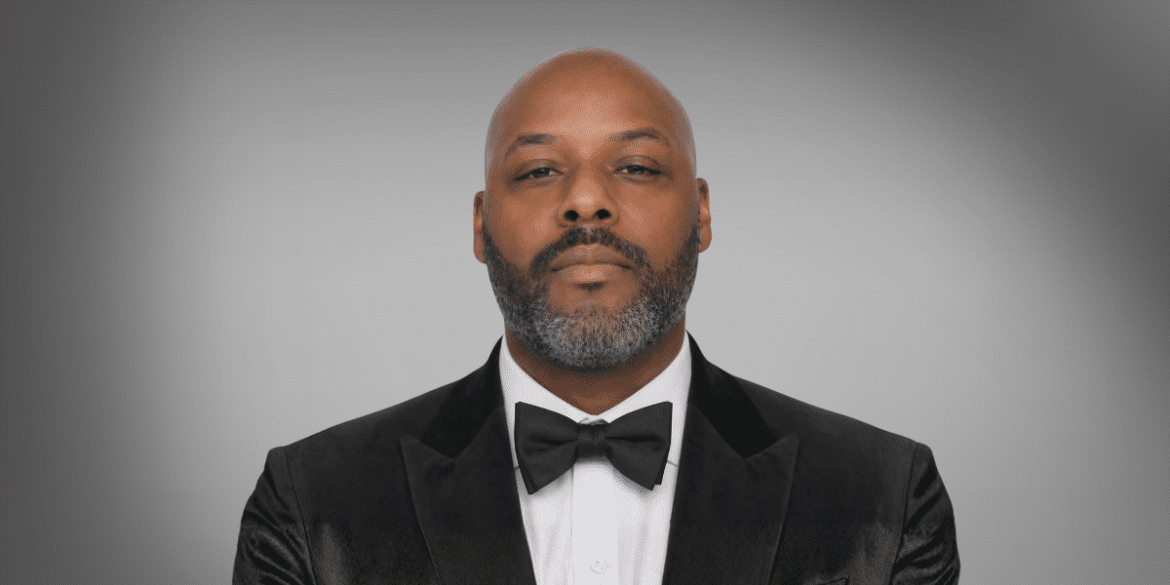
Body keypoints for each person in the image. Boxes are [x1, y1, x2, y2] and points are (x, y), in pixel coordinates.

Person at [233, 48, 959, 585]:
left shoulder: (882, 499)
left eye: (637, 167)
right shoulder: (312, 504)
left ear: (701, 212)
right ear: (481, 226)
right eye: (539, 171)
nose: (586, 200)